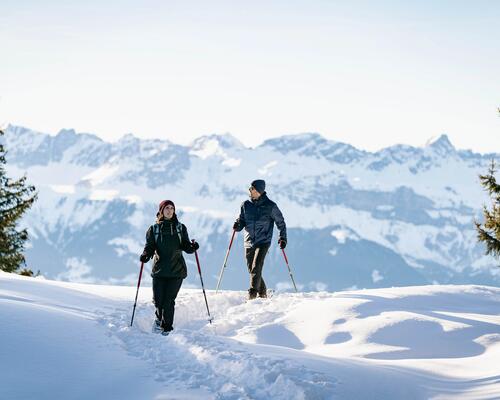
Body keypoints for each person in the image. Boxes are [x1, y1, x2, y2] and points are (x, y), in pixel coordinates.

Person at [140, 200, 199, 335]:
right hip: (159, 270)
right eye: (167, 208)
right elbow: (149, 247)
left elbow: (186, 246)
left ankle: (167, 327)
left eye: (172, 208)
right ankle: (158, 320)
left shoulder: (180, 228)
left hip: (176, 271)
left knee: (168, 301)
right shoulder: (153, 229)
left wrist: (192, 248)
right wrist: (145, 255)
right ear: (161, 210)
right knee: (158, 300)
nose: (170, 210)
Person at [233, 180, 287, 300]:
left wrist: (283, 238)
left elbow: (281, 223)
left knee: (256, 267)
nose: (250, 191)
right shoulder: (245, 205)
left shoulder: (270, 206)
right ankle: (263, 294)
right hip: (248, 241)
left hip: (263, 241)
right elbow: (241, 221)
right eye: (250, 188)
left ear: (259, 191)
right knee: (251, 269)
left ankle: (252, 295)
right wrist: (238, 225)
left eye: (252, 189)